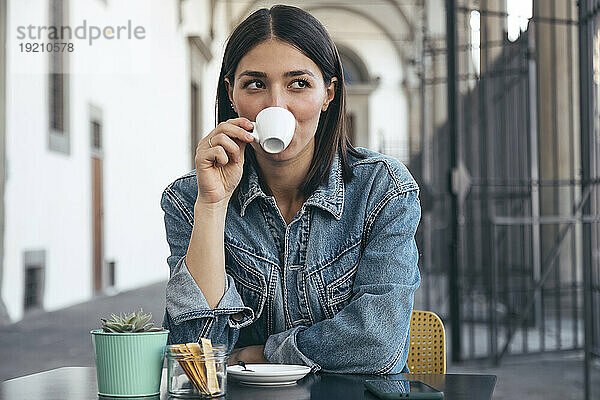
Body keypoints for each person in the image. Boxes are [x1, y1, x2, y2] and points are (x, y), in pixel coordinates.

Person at [160, 4, 421, 374]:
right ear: (231, 93)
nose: (276, 105)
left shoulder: (382, 190)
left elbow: (379, 342)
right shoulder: (190, 199)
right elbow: (196, 359)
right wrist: (213, 206)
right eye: (255, 84)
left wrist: (262, 353)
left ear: (328, 94)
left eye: (299, 83)